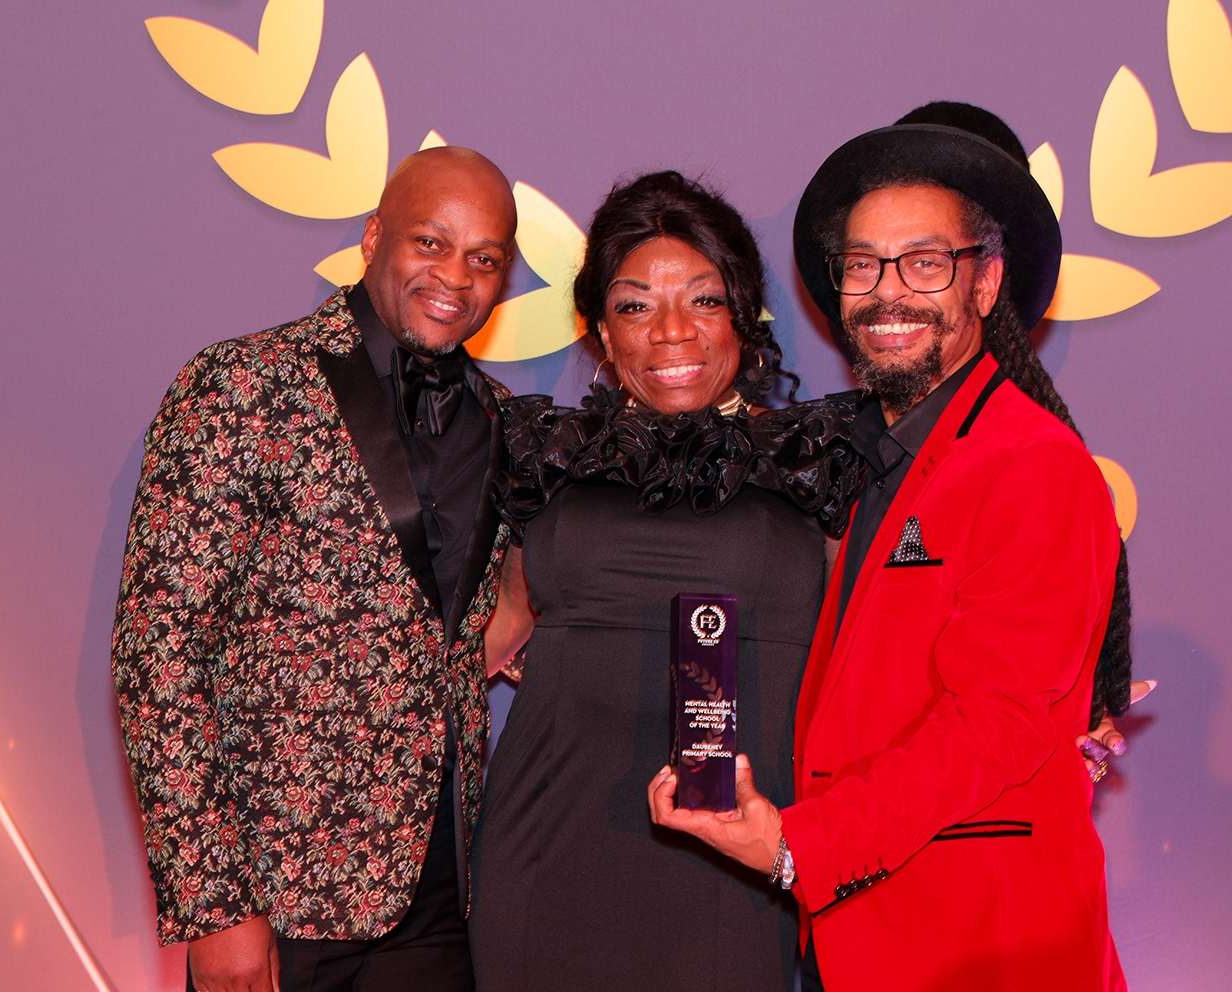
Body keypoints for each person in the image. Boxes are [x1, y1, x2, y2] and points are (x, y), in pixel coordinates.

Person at [649, 109, 1129, 991]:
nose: (887, 291)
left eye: (925, 262)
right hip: (863, 932)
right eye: (864, 264)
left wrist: (802, 843)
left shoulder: (1033, 464)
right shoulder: (885, 459)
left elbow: (997, 721)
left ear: (984, 286)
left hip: (980, 942)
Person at [111, 146, 518, 992]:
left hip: (442, 898)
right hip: (276, 899)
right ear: (373, 238)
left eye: (485, 258)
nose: (457, 276)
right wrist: (215, 903)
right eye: (431, 242)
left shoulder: (505, 421)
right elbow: (159, 653)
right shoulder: (242, 385)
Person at [467, 171, 863, 992]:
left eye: (703, 301)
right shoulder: (549, 456)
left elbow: (889, 638)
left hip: (738, 857)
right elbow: (493, 630)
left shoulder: (817, 464)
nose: (671, 333)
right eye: (635, 305)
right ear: (603, 335)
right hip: (545, 847)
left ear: (744, 319)